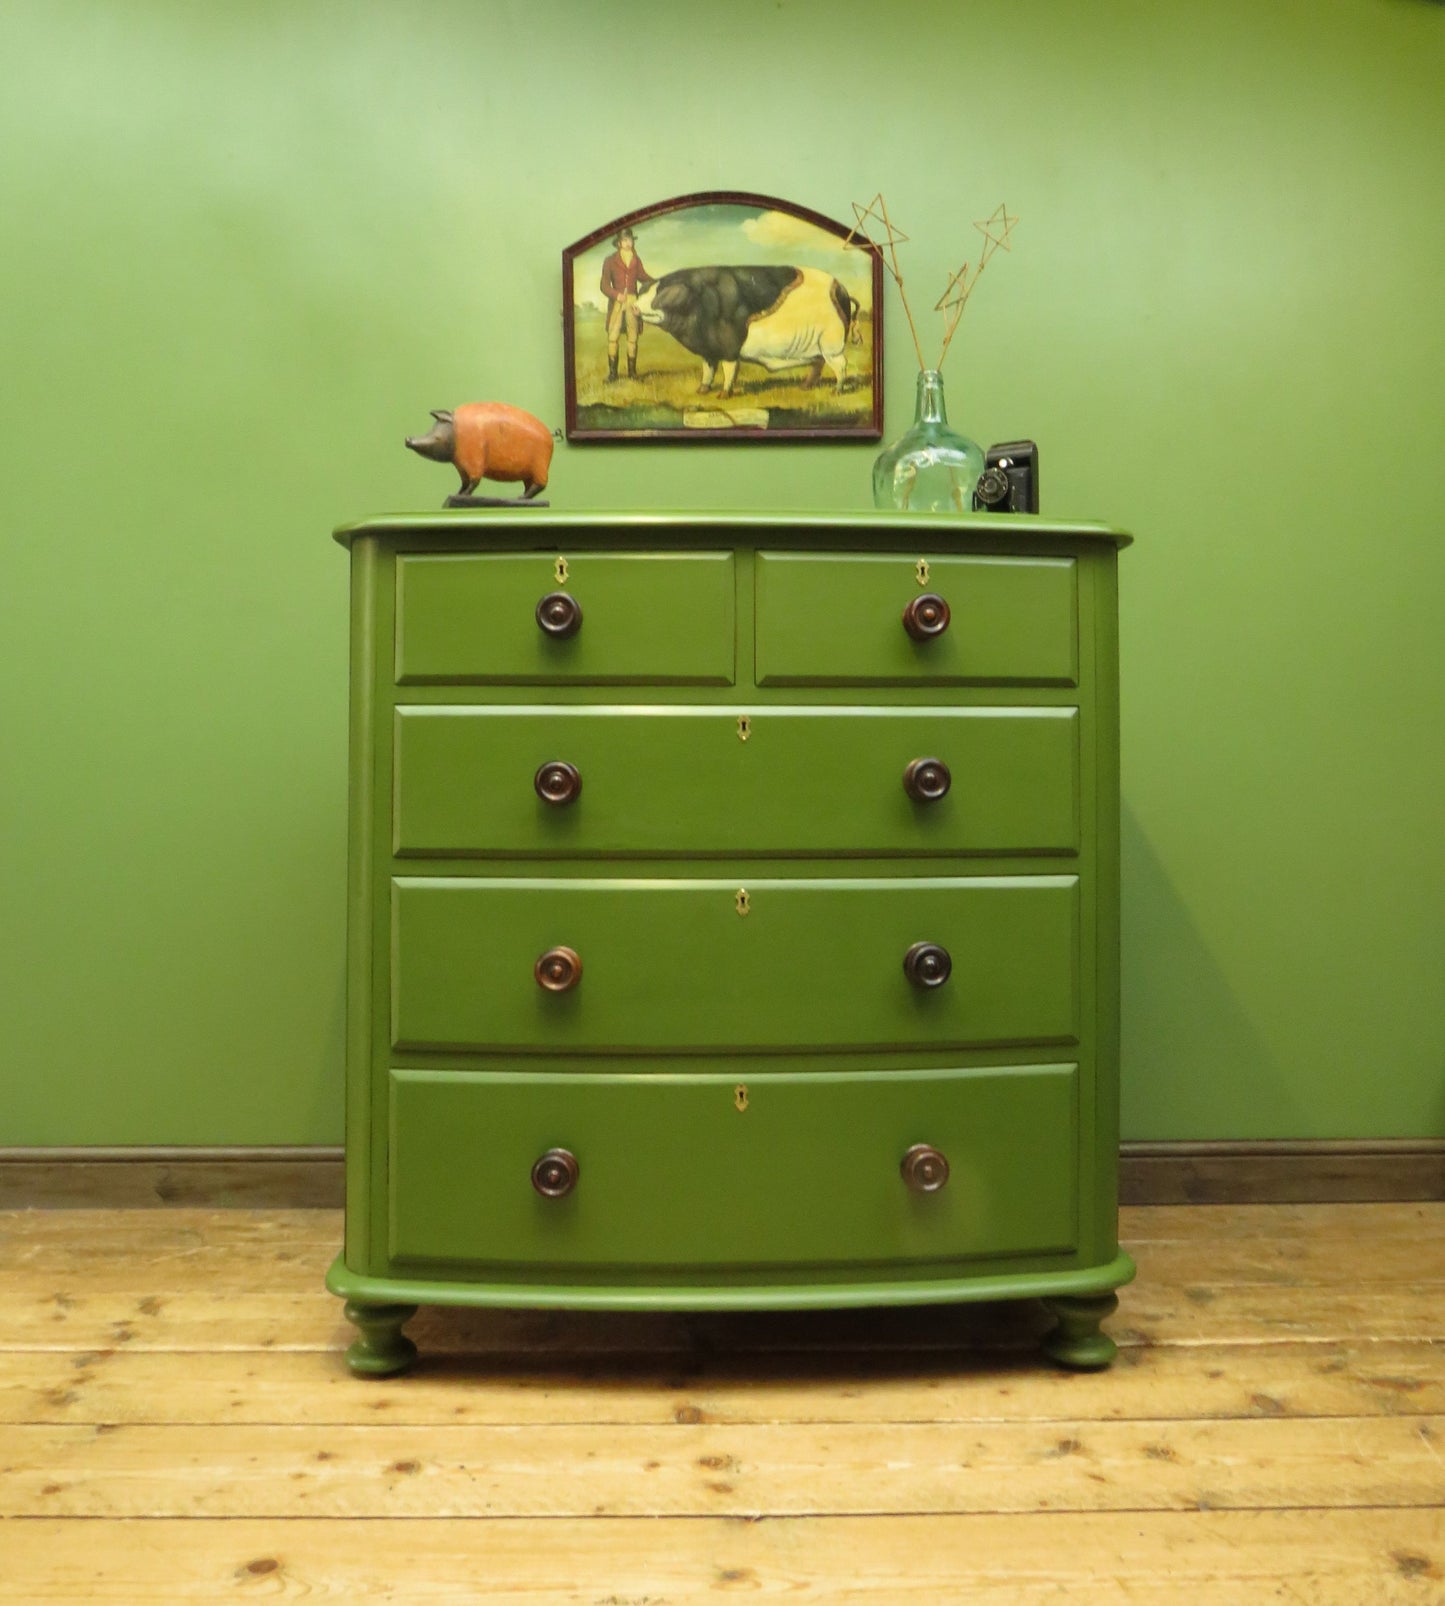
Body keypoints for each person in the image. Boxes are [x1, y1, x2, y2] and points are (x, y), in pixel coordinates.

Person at [598, 227, 654, 381]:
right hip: (617, 302)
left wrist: (656, 282)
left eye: (630, 240)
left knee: (633, 337)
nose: (628, 243)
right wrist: (616, 295)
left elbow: (644, 277)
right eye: (625, 240)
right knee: (613, 337)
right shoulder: (609, 261)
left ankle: (632, 373)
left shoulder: (636, 260)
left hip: (632, 302)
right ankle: (613, 374)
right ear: (618, 243)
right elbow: (603, 286)